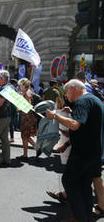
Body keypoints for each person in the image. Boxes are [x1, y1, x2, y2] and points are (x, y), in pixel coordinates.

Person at [46, 79, 104, 222]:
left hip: (83, 153)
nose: (66, 96)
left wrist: (54, 115)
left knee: (69, 181)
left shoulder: (82, 102)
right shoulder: (94, 100)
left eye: (66, 92)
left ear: (73, 89)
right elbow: (87, 124)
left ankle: (80, 217)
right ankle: (86, 216)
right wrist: (72, 113)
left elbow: (75, 125)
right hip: (95, 151)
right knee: (84, 185)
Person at [17, 78, 38, 159]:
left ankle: (26, 154)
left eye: (20, 86)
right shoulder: (28, 93)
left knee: (25, 136)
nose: (19, 87)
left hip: (26, 117)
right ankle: (35, 149)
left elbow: (28, 107)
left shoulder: (27, 94)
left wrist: (19, 108)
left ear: (23, 86)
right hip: (28, 117)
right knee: (26, 136)